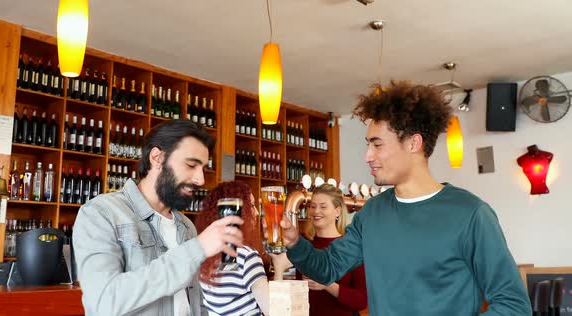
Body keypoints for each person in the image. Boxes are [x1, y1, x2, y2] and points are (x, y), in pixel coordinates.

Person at [279, 81, 533, 315]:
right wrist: (294, 242)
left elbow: (513, 304)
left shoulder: (471, 214)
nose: (368, 155)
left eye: (377, 145)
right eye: (368, 145)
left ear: (413, 143)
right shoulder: (371, 213)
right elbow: (327, 268)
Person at [73, 120, 244, 316]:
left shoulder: (186, 226)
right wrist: (197, 249)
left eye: (203, 168)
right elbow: (103, 302)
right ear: (157, 158)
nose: (201, 179)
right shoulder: (101, 213)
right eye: (191, 165)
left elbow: (193, 302)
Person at [272, 184, 367, 316]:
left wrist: (328, 285)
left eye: (323, 206)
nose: (316, 211)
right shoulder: (303, 247)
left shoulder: (350, 248)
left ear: (337, 211)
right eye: (312, 206)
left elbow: (362, 301)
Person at [196, 181, 269, 316]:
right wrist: (280, 267)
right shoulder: (247, 256)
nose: (257, 213)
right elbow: (274, 310)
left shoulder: (203, 253)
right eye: (252, 206)